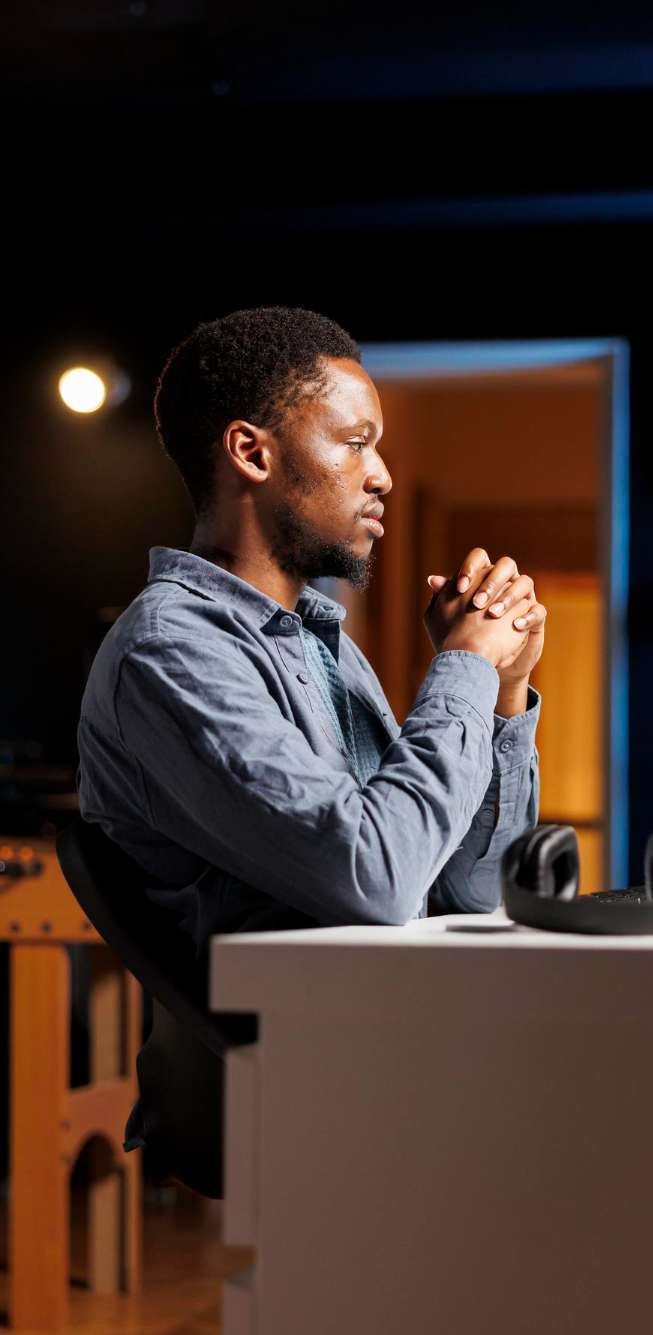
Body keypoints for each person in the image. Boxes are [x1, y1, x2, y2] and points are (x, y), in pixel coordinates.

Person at [77, 307, 547, 956]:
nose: (382, 475)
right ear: (252, 452)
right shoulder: (171, 651)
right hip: (295, 1049)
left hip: (394, 1026)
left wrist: (502, 689)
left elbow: (474, 891)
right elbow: (377, 878)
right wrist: (466, 661)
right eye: (357, 443)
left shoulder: (324, 648)